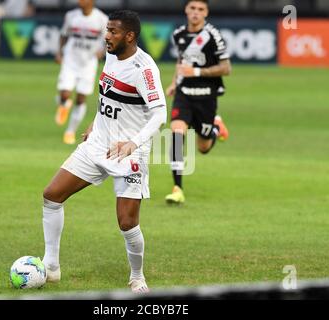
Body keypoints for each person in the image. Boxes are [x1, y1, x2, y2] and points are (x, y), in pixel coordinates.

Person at [42, 10, 167, 293]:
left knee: (127, 222)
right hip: (98, 143)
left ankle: (137, 276)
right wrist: (94, 122)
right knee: (52, 195)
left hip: (128, 153)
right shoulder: (111, 55)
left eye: (112, 31)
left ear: (130, 36)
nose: (106, 36)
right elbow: (107, 97)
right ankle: (51, 267)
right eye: (106, 30)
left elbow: (160, 114)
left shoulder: (144, 69)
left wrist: (133, 143)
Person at [164, 0, 231, 204]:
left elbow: (226, 68)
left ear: (206, 12)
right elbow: (182, 61)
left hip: (206, 96)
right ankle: (177, 188)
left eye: (200, 9)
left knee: (203, 146)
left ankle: (215, 129)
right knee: (176, 134)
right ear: (186, 10)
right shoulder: (178, 35)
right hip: (184, 95)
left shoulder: (213, 36)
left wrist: (197, 71)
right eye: (192, 8)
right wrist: (175, 82)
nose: (195, 13)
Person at [55, 0, 108, 144]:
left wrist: (102, 52)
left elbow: (108, 39)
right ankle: (64, 104)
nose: (80, 1)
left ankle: (70, 131)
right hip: (70, 60)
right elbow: (64, 35)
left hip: (88, 63)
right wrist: (59, 53)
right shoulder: (71, 16)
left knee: (80, 98)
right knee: (65, 94)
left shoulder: (101, 19)